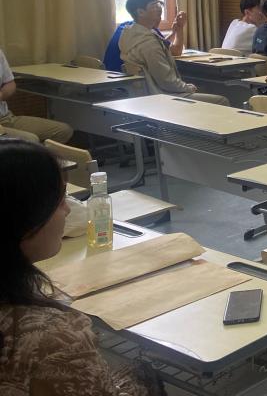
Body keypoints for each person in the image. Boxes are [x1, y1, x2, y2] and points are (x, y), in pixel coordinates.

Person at [0, 140, 162, 395]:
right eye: (59, 200)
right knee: (144, 376)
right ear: (26, 219)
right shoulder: (54, 340)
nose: (67, 209)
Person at [119, 0, 228, 105]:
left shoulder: (131, 34)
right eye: (154, 5)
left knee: (204, 90)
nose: (159, 8)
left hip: (144, 95)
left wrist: (176, 31)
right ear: (140, 12)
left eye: (159, 4)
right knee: (221, 100)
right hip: (162, 98)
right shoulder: (148, 43)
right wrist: (187, 87)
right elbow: (166, 81)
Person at [0, 48, 74, 144]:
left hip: (6, 118)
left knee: (63, 131)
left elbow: (10, 83)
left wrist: (2, 94)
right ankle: (28, 152)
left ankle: (34, 153)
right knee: (31, 140)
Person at [103, 0, 186, 72]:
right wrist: (180, 27)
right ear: (142, 13)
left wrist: (173, 33)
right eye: (157, 14)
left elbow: (161, 43)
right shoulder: (145, 31)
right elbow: (176, 52)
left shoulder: (126, 27)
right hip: (127, 80)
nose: (159, 19)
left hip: (109, 75)